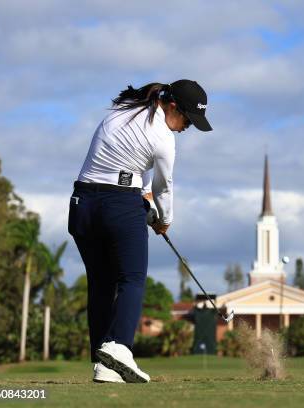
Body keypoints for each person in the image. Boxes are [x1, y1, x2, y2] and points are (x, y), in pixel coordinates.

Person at [68, 80, 212, 383]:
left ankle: (103, 363)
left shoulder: (123, 111)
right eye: (187, 119)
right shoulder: (164, 138)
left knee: (101, 285)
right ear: (172, 106)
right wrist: (164, 220)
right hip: (118, 206)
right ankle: (119, 347)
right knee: (131, 279)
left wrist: (143, 195)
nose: (186, 127)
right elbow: (164, 188)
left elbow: (132, 163)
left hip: (82, 205)